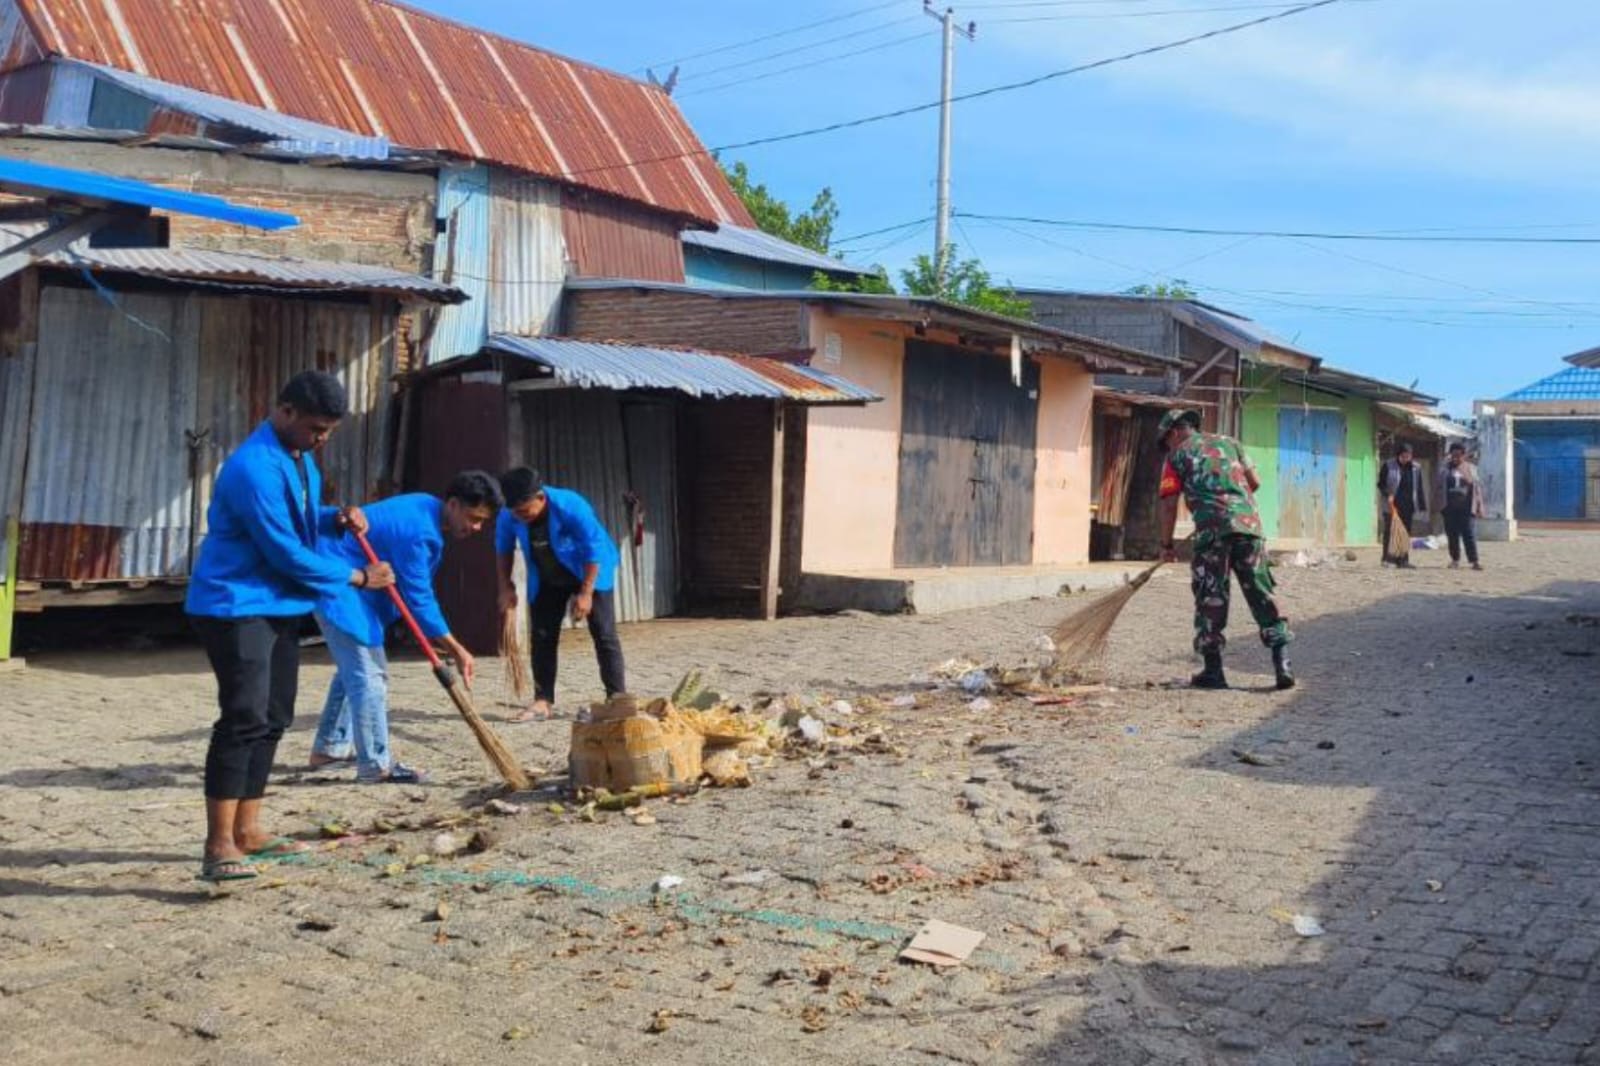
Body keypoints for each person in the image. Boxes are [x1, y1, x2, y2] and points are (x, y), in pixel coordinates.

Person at [185, 371, 394, 883]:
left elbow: (297, 521)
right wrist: (357, 576)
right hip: (235, 605)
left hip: (276, 604)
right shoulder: (253, 467)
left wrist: (333, 519)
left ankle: (250, 831)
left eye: (329, 432)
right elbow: (283, 550)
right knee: (242, 718)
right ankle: (217, 846)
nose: (321, 439)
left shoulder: (299, 460)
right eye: (316, 429)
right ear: (285, 411)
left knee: (275, 715)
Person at [308, 471, 504, 783]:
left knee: (355, 668)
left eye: (482, 522)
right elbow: (419, 599)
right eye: (473, 518)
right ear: (452, 504)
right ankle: (376, 766)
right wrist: (457, 648)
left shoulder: (427, 507)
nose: (475, 528)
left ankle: (329, 749)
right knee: (370, 674)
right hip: (340, 583)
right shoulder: (419, 531)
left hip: (358, 586)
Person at [1157, 408, 1295, 691]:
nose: (1167, 446)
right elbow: (1253, 482)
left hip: (1212, 534)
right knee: (1261, 592)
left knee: (1211, 596)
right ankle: (1282, 666)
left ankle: (1213, 672)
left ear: (1173, 433)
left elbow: (1169, 503)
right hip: (1249, 528)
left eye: (1166, 440)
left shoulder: (1176, 456)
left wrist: (1167, 545)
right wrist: (1232, 506)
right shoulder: (1231, 443)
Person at [495, 467, 624, 720]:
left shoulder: (571, 505)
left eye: (524, 511)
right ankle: (543, 700)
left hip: (588, 569)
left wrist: (586, 592)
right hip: (547, 574)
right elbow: (503, 548)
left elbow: (593, 547)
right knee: (542, 634)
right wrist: (505, 586)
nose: (519, 518)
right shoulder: (509, 513)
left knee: (603, 632)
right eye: (515, 513)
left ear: (541, 498)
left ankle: (616, 698)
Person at [1436, 442, 1484, 571]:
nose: (1456, 458)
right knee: (1452, 535)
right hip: (1449, 508)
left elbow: (1477, 489)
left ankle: (1474, 561)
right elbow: (1439, 487)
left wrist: (1479, 507)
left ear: (1464, 455)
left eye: (1459, 455)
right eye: (1453, 455)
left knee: (1469, 534)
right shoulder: (1444, 469)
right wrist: (1440, 506)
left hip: (1467, 508)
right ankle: (1455, 560)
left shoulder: (1471, 469)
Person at [1379, 442, 1428, 568]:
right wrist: (1388, 494)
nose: (1406, 458)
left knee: (1405, 533)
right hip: (1392, 505)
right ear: (1398, 455)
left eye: (1408, 456)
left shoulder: (1416, 467)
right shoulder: (1389, 465)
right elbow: (1381, 483)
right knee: (1390, 532)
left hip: (1408, 506)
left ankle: (1403, 560)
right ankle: (1387, 559)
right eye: (1403, 456)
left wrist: (1421, 505)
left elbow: (1419, 487)